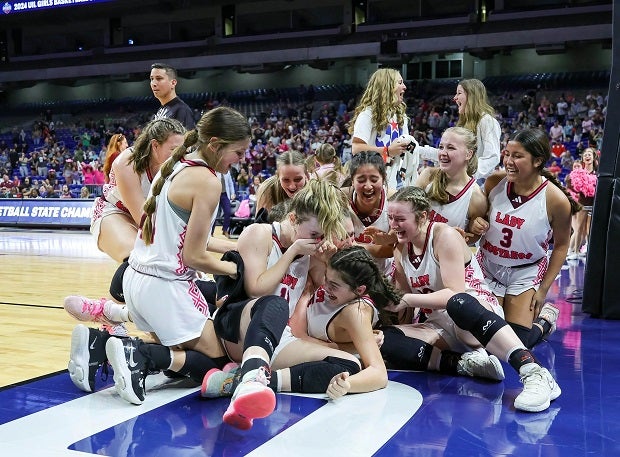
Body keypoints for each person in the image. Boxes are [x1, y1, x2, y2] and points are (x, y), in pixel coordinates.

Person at [71, 106, 289, 430]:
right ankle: (134, 353)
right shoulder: (208, 182)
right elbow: (193, 257)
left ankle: (99, 345)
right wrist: (233, 269)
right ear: (215, 144)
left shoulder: (174, 166)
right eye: (238, 152)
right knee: (218, 360)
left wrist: (231, 248)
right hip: (165, 284)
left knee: (177, 352)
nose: (241, 160)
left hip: (137, 278)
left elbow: (182, 235)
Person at [383, 186, 561, 412]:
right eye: (390, 218)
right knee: (384, 338)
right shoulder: (400, 248)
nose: (393, 224)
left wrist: (407, 299)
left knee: (458, 302)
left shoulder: (444, 235)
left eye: (400, 219)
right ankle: (465, 364)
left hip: (472, 314)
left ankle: (534, 372)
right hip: (439, 324)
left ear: (422, 217)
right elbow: (400, 300)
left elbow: (453, 292)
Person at [470, 128, 581, 349]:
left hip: (526, 271)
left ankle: (545, 322)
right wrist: (475, 223)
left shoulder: (556, 201)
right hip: (488, 266)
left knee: (516, 342)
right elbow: (475, 222)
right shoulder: (494, 183)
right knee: (481, 336)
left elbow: (560, 246)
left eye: (517, 156)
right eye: (507, 154)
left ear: (538, 161)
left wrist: (543, 290)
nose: (508, 161)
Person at [349, 68, 429, 190]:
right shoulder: (367, 115)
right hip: (374, 182)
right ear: (387, 86)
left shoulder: (401, 117)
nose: (405, 87)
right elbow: (356, 148)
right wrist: (387, 151)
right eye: (400, 82)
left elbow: (405, 149)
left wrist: (430, 153)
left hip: (397, 179)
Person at [418, 79, 501, 182]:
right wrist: (418, 150)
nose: (454, 98)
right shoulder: (465, 122)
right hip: (463, 180)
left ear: (471, 96)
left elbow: (492, 157)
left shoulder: (486, 121)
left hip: (478, 183)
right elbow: (450, 155)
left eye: (459, 93)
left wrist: (466, 175)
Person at [415, 126, 487, 243]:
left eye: (451, 148)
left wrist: (462, 237)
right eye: (441, 147)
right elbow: (409, 212)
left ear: (468, 154)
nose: (443, 153)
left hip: (445, 258)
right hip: (416, 252)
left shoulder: (476, 197)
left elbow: (472, 237)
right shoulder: (427, 176)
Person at [254, 150, 309, 218]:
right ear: (278, 176)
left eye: (297, 179)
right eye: (286, 180)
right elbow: (260, 225)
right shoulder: (267, 189)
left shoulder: (315, 190)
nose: (292, 186)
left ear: (306, 175)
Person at [566, 147, 598, 259]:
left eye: (590, 154)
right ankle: (573, 251)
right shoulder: (580, 172)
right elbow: (571, 186)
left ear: (594, 158)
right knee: (578, 228)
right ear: (583, 158)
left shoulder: (598, 173)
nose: (587, 156)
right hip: (582, 205)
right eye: (585, 154)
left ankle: (586, 250)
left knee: (588, 230)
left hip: (593, 205)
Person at [150, 62, 196, 129]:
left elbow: (187, 139)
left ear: (173, 83)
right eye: (152, 79)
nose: (154, 83)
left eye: (159, 78)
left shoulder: (181, 110)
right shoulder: (161, 109)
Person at [216, 170, 235, 238]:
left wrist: (232, 193)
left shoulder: (227, 172)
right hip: (216, 194)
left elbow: (230, 183)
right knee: (214, 214)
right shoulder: (214, 171)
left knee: (228, 212)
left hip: (225, 194)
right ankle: (211, 232)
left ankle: (225, 229)